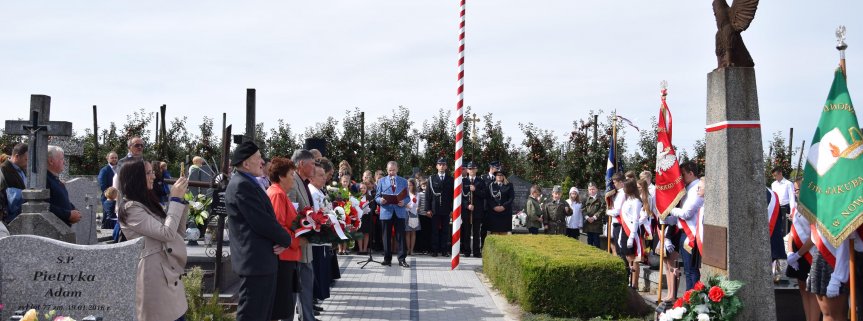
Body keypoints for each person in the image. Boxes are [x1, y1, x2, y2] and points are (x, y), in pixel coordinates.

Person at [224, 141, 293, 321]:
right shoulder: (242, 185)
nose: (263, 161)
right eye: (259, 158)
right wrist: (286, 239)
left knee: (261, 313)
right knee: (252, 314)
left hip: (259, 261)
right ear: (246, 164)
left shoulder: (246, 182)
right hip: (255, 262)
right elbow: (262, 221)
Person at [117, 159, 189, 321]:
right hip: (155, 278)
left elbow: (177, 233)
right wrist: (175, 200)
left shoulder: (149, 204)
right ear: (135, 178)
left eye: (153, 172)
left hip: (168, 274)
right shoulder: (131, 209)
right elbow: (167, 234)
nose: (153, 177)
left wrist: (181, 200)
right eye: (148, 173)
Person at [266, 157, 303, 321]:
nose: (294, 177)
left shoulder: (281, 193)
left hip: (288, 255)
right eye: (291, 174)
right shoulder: (277, 194)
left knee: (286, 306)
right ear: (281, 176)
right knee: (281, 308)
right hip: (283, 256)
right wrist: (294, 242)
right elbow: (278, 226)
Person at [286, 149, 319, 321]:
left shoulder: (303, 182)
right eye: (312, 164)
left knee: (306, 284)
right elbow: (292, 216)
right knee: (299, 286)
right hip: (297, 247)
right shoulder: (293, 184)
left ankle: (308, 317)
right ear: (301, 165)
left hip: (305, 246)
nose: (315, 167)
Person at [784, 178, 820, 321]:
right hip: (797, 256)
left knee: (812, 291)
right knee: (803, 289)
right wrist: (790, 253)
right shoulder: (797, 208)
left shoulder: (814, 208)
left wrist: (798, 254)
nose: (796, 193)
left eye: (798, 190)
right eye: (795, 190)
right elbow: (792, 232)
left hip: (809, 254)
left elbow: (814, 237)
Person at [669, 162, 703, 290]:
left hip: (691, 234)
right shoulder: (689, 188)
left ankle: (692, 300)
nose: (681, 178)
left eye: (683, 175)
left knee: (691, 271)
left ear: (691, 173)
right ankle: (689, 299)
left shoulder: (697, 188)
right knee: (687, 270)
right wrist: (668, 219)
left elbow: (686, 213)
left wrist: (670, 209)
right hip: (684, 232)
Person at [375, 161, 410, 268]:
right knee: (386, 236)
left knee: (401, 236)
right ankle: (387, 258)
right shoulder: (381, 181)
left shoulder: (403, 181)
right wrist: (381, 200)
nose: (391, 172)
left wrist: (403, 202)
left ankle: (402, 259)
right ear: (387, 170)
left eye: (393, 170)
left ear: (397, 170)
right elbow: (376, 197)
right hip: (386, 212)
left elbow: (407, 197)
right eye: (390, 170)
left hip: (399, 211)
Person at [619, 179, 646, 289]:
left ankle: (634, 283)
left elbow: (635, 219)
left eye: (625, 186)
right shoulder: (627, 200)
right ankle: (630, 281)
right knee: (627, 256)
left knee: (633, 258)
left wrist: (631, 236)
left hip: (632, 231)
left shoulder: (636, 201)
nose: (623, 189)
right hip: (625, 230)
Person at [46, 146, 81, 226]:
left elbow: (59, 200)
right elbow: (44, 206)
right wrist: (68, 215)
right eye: (61, 159)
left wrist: (73, 209)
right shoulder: (44, 180)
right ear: (51, 161)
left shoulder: (54, 178)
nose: (64, 162)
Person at [425, 157, 454, 257]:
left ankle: (444, 250)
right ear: (437, 166)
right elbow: (428, 195)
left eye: (443, 164)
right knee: (434, 231)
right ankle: (435, 250)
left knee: (445, 231)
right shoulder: (431, 178)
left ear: (446, 166)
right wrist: (427, 209)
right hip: (434, 209)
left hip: (446, 209)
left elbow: (453, 196)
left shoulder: (451, 179)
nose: (441, 166)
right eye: (440, 164)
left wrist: (452, 209)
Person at [460, 161, 486, 257]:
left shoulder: (481, 181)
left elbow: (484, 194)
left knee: (476, 232)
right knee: (466, 231)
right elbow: (460, 197)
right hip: (467, 211)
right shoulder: (462, 182)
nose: (471, 170)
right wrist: (467, 205)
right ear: (467, 170)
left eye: (473, 168)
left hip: (477, 211)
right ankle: (467, 251)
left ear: (476, 169)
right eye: (470, 168)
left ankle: (476, 251)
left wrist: (476, 190)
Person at [770, 167, 793, 270]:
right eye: (773, 176)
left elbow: (792, 198)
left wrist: (792, 211)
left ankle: (785, 252)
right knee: (777, 230)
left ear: (780, 173)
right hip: (776, 208)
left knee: (785, 232)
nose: (775, 177)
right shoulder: (773, 184)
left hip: (786, 208)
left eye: (776, 175)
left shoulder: (788, 184)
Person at [0, 143, 28, 224]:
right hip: (10, 219)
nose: (28, 162)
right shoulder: (4, 170)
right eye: (26, 159)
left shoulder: (23, 169)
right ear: (17, 156)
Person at [484, 170, 514, 236]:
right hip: (493, 212)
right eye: (498, 175)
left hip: (505, 212)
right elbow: (488, 197)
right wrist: (494, 206)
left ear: (504, 176)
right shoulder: (491, 185)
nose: (499, 176)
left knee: (504, 234)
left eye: (501, 175)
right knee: (494, 233)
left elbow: (511, 198)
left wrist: (503, 206)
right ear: (495, 176)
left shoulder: (509, 185)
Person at [582, 183, 606, 248]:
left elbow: (602, 209)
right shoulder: (585, 199)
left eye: (593, 189)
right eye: (590, 189)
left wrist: (594, 217)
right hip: (588, 224)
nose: (591, 191)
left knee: (596, 242)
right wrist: (587, 217)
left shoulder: (600, 199)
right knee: (589, 242)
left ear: (596, 190)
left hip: (596, 224)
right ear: (588, 190)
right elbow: (583, 209)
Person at [357, 182, 374, 255]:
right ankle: (360, 249)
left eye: (364, 188)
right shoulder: (356, 196)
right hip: (359, 217)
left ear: (366, 189)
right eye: (361, 188)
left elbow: (373, 206)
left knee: (366, 233)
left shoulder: (369, 197)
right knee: (359, 233)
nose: (363, 189)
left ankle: (365, 249)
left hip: (367, 217)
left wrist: (370, 210)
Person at [405, 178, 421, 256]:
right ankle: (408, 249)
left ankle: (412, 250)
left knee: (413, 232)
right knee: (407, 232)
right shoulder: (404, 193)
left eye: (410, 185)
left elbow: (416, 204)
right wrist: (406, 205)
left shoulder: (416, 194)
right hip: (406, 213)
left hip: (413, 214)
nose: (408, 187)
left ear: (413, 186)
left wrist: (409, 205)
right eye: (407, 185)